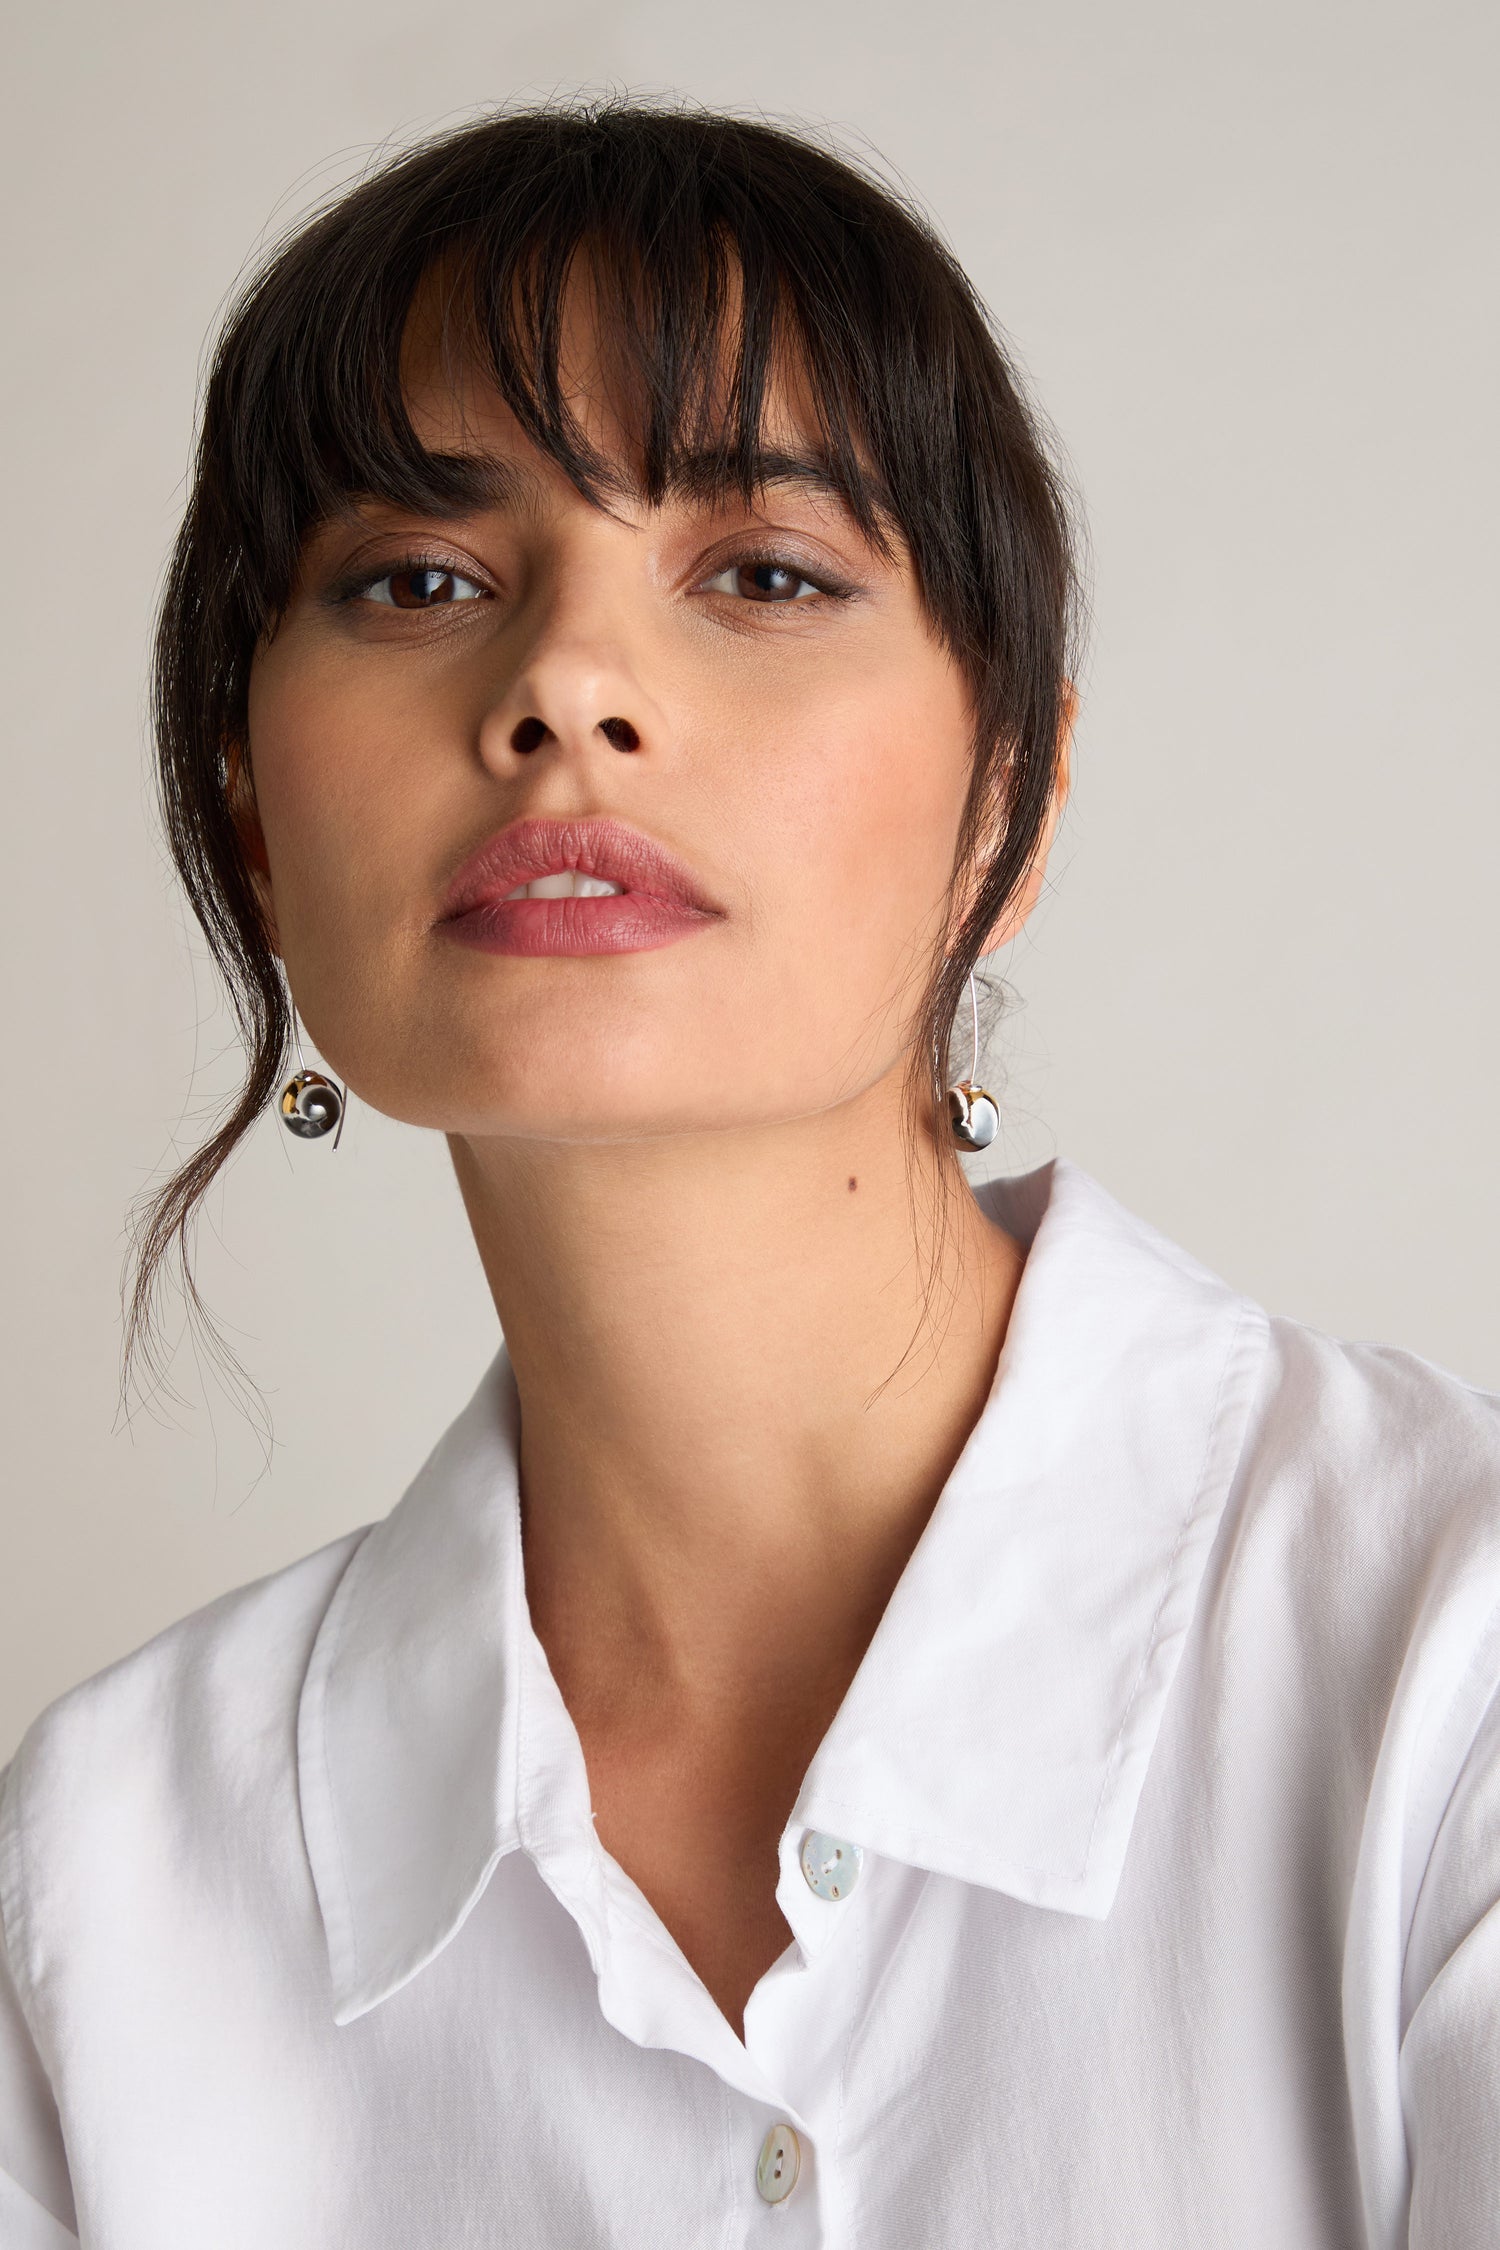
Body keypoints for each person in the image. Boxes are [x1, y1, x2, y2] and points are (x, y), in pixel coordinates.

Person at [0, 100, 1495, 2250]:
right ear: (249, 811)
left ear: (1013, 794)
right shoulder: (108, 1882)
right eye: (420, 577)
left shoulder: (1449, 1668)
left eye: (766, 573)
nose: (567, 690)